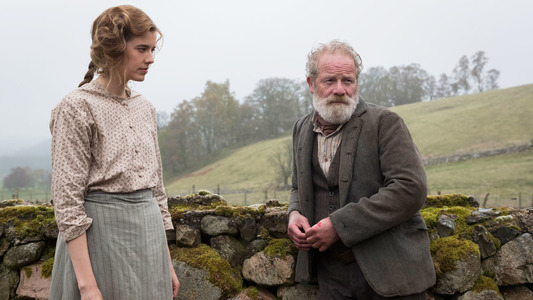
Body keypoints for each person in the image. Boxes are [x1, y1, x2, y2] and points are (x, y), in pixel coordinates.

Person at [287, 40, 436, 299]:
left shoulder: (385, 123)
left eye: (348, 80)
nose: (340, 89)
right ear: (311, 84)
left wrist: (339, 225)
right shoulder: (301, 129)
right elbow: (298, 186)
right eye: (329, 80)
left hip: (391, 273)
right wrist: (294, 213)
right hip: (331, 277)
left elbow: (410, 189)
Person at [48, 5, 179, 299]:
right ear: (116, 48)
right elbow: (68, 202)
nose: (151, 59)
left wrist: (165, 262)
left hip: (149, 243)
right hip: (100, 245)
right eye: (142, 48)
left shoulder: (145, 108)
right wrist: (87, 285)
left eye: (153, 49)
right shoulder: (77, 107)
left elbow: (156, 190)